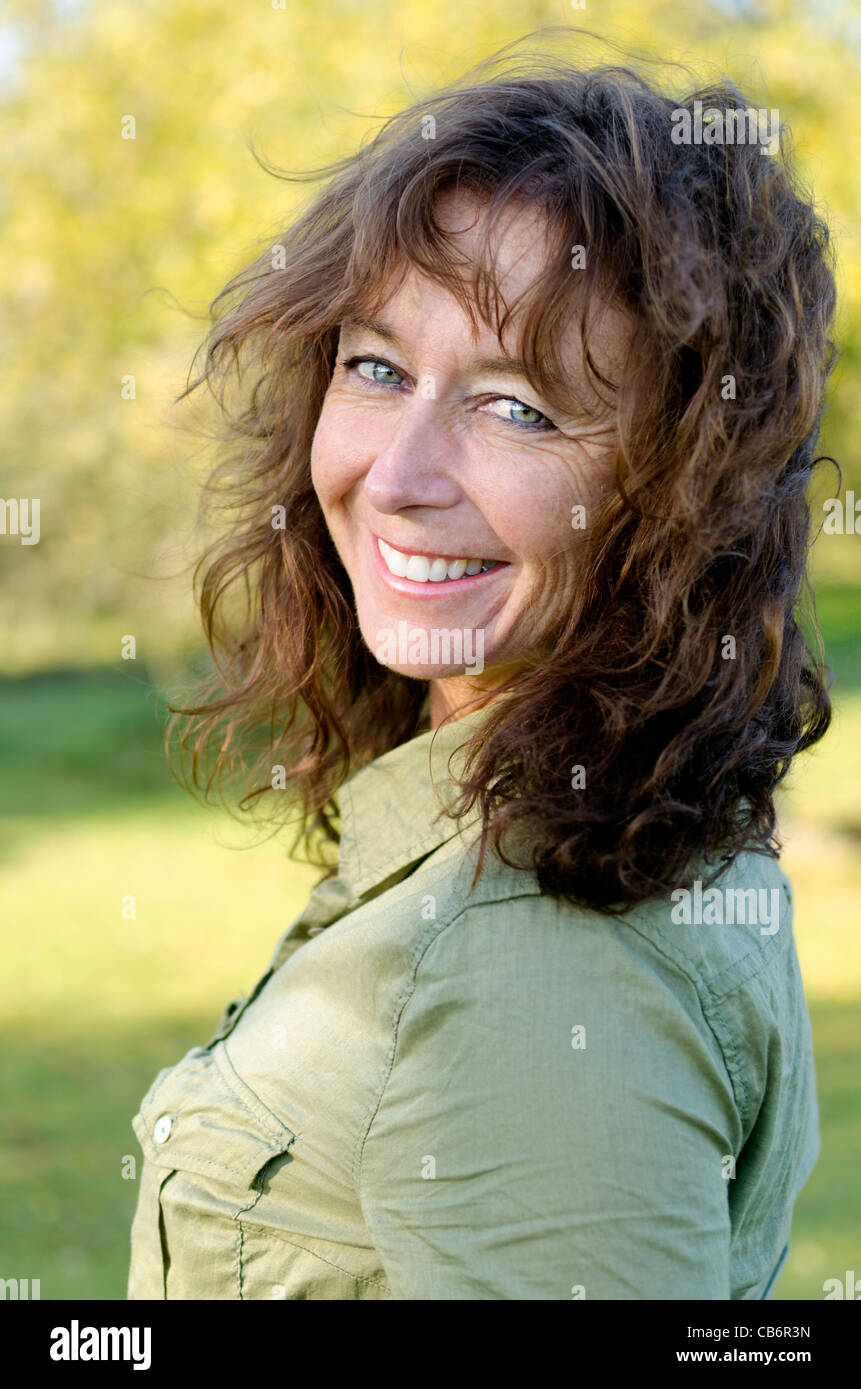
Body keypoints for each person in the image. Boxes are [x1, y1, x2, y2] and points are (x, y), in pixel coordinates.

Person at [127, 39, 836, 1300]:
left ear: (679, 493)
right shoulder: (523, 823)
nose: (394, 477)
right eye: (378, 368)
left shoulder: (546, 966)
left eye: (518, 406)